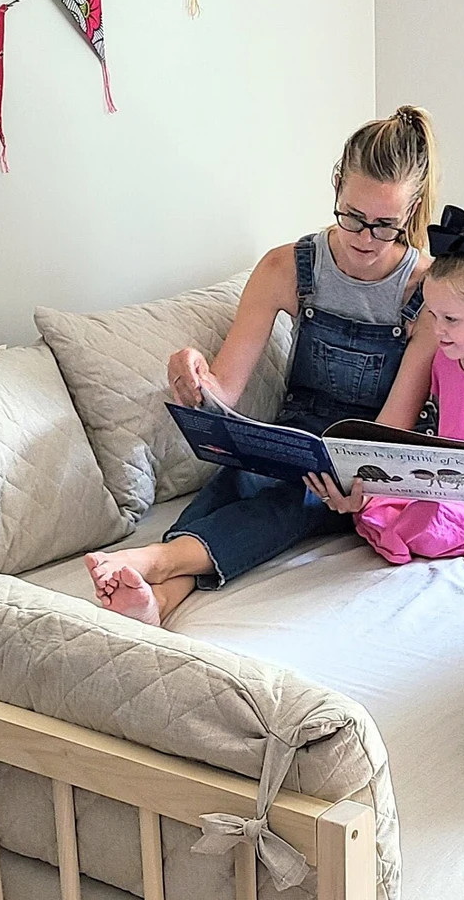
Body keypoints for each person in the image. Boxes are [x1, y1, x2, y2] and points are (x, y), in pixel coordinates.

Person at [85, 106, 440, 624]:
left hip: (359, 464)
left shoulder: (429, 293)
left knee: (296, 499)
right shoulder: (285, 267)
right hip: (293, 438)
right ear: (337, 186)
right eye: (352, 216)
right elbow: (224, 388)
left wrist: (361, 493)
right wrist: (191, 372)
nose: (365, 238)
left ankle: (157, 561)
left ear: (410, 213)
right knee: (237, 479)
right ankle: (159, 600)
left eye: (384, 226)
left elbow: (391, 428)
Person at [309, 204, 464, 572]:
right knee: (378, 506)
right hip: (450, 477)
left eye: (451, 319)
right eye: (432, 315)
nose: (438, 329)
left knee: (430, 523)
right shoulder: (447, 358)